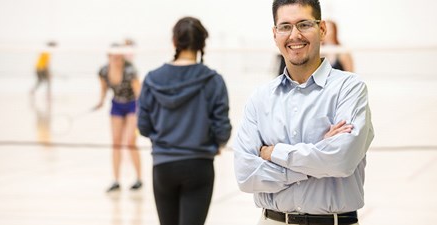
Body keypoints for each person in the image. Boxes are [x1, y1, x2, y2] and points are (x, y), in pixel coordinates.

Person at [232, 1, 374, 225]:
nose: (294, 35)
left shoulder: (349, 88)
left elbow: (341, 161)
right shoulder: (260, 98)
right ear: (275, 33)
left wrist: (274, 153)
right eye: (285, 26)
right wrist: (316, 158)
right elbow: (246, 175)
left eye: (304, 24)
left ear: (322, 29)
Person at [137, 16, 232, 225]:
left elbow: (143, 125)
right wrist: (218, 143)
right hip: (199, 166)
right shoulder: (213, 80)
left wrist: (161, 140)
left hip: (163, 167)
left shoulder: (152, 79)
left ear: (174, 42)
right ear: (202, 44)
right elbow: (222, 127)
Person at [95, 44, 143, 192]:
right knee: (116, 143)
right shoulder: (103, 71)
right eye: (114, 56)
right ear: (109, 56)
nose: (117, 59)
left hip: (132, 105)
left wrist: (141, 111)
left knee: (130, 141)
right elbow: (103, 89)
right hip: (116, 105)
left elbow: (138, 93)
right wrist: (101, 101)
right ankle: (116, 180)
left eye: (119, 57)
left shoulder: (130, 70)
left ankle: (138, 179)